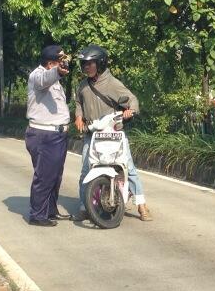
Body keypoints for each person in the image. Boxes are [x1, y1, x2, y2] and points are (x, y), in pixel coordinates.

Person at [71, 45, 153, 222]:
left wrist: (130, 111)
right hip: (91, 134)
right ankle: (84, 206)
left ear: (100, 63)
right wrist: (78, 116)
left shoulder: (113, 83)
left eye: (89, 64)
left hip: (114, 134)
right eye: (83, 64)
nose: (85, 67)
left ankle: (141, 204)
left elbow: (132, 100)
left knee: (128, 168)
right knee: (86, 170)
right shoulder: (83, 86)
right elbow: (78, 102)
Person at [25, 45, 72, 226]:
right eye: (60, 62)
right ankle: (37, 215)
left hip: (57, 136)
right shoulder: (37, 75)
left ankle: (51, 210)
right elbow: (44, 79)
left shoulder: (55, 81)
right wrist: (57, 73)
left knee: (55, 176)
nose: (63, 64)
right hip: (44, 135)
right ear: (51, 63)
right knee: (44, 177)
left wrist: (57, 74)